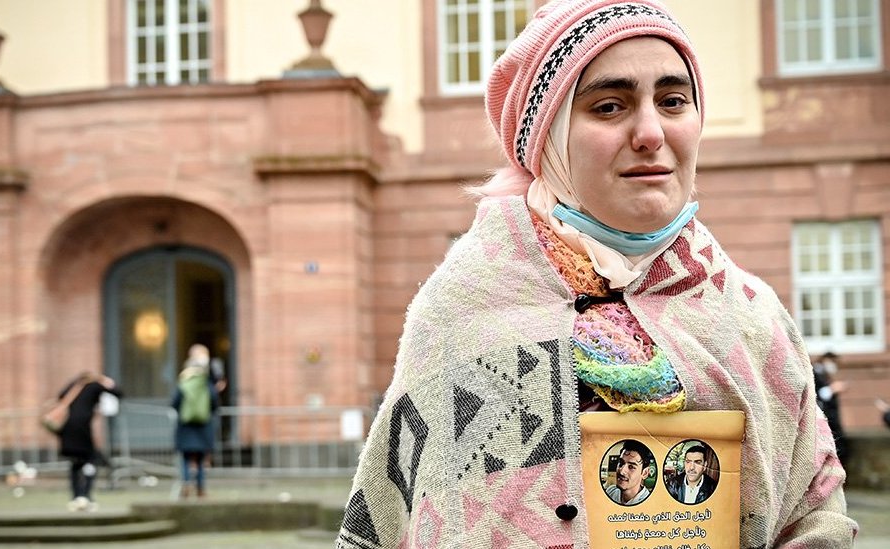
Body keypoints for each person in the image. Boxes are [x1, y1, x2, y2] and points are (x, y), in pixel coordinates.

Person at [336, 1, 856, 547]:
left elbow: (817, 509)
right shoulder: (460, 313)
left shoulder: (752, 315)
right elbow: (395, 517)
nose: (651, 132)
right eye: (609, 107)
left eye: (674, 100)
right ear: (549, 139)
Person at [55, 371, 122, 512]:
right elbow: (118, 393)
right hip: (83, 429)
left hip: (68, 429)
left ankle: (76, 496)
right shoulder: (95, 386)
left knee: (75, 463)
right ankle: (86, 495)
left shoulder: (74, 385)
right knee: (91, 460)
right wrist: (108, 383)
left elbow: (61, 396)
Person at [171, 343, 220, 498]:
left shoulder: (184, 382)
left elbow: (175, 402)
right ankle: (200, 488)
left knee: (186, 458)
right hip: (203, 425)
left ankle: (186, 483)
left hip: (186, 426)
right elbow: (214, 403)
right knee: (199, 460)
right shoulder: (206, 383)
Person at [813, 351, 849, 463]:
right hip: (825, 420)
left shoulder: (823, 374)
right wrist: (833, 388)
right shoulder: (815, 373)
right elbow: (819, 395)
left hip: (831, 420)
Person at [603, 440, 653, 506]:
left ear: (644, 473)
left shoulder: (649, 504)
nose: (621, 471)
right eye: (621, 463)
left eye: (631, 467)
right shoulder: (611, 491)